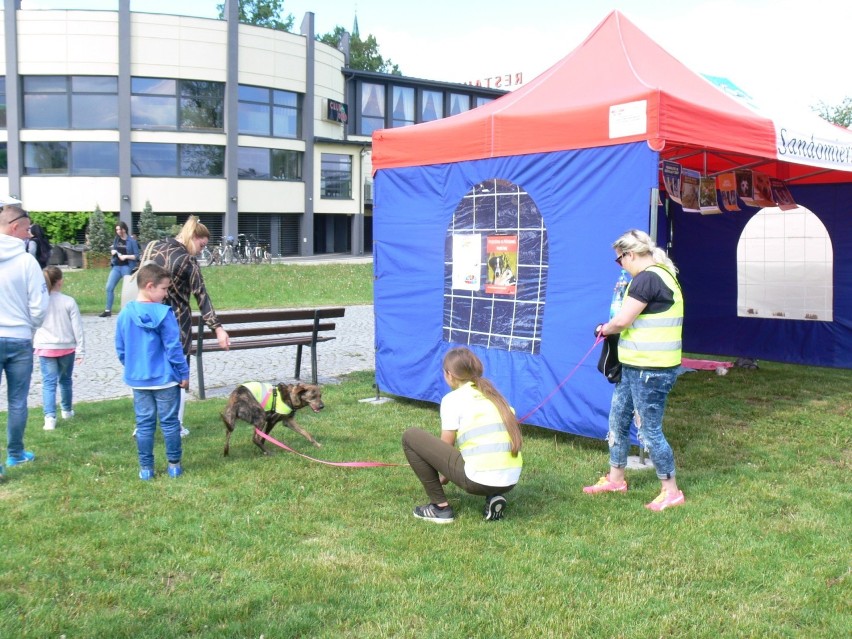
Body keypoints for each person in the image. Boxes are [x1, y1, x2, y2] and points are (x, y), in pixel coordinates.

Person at [586, 229, 685, 511]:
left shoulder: (647, 279)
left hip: (650, 370)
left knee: (650, 430)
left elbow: (623, 320)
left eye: (620, 261)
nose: (621, 267)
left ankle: (671, 490)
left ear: (629, 255)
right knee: (617, 421)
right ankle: (616, 478)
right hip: (636, 367)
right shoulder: (664, 275)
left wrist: (604, 329)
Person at [401, 347, 523, 523]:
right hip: (510, 480)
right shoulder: (495, 397)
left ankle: (439, 508)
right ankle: (493, 496)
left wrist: (443, 474)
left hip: (478, 480)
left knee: (410, 436)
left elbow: (445, 446)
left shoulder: (452, 400)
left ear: (449, 374)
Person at [146, 216, 230, 437]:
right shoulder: (186, 261)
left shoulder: (153, 247)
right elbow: (202, 297)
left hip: (148, 321)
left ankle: (144, 425)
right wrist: (218, 328)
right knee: (179, 374)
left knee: (151, 371)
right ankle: (176, 425)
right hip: (175, 323)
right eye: (201, 245)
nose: (201, 251)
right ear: (193, 237)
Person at [115, 263, 190, 480]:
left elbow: (120, 347)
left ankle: (146, 469)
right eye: (164, 289)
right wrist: (183, 373)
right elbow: (174, 348)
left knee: (144, 424)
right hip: (165, 379)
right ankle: (174, 465)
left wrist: (131, 365)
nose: (167, 294)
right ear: (150, 286)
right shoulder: (165, 313)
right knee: (170, 423)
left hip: (138, 380)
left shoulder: (125, 313)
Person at [0, 201, 50, 478]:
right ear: (14, 226)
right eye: (28, 228)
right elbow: (39, 306)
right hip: (18, 338)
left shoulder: (26, 258)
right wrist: (29, 326)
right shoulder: (26, 262)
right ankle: (15, 453)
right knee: (17, 401)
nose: (31, 233)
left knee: (16, 400)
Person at [34, 267, 85, 431]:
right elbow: (78, 328)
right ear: (60, 281)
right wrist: (80, 349)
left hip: (45, 348)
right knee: (65, 380)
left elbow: (33, 323)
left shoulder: (39, 302)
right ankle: (67, 410)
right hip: (66, 347)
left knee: (48, 383)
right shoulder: (68, 301)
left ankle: (49, 417)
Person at [99, 221, 139, 318]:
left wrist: (126, 256)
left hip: (126, 267)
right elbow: (115, 249)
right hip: (116, 266)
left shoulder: (132, 241)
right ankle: (108, 310)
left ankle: (127, 311)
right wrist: (113, 251)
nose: (118, 231)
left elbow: (137, 256)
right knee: (109, 287)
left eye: (119, 229)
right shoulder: (116, 240)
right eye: (116, 229)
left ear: (124, 229)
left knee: (126, 290)